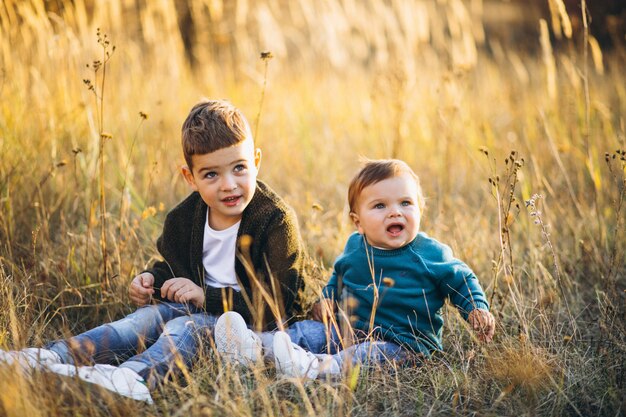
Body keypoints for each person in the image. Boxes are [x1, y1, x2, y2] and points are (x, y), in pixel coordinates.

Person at [0, 100, 306, 401]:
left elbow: (279, 302)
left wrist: (204, 297)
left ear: (255, 161)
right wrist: (151, 281)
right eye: (211, 174)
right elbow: (172, 268)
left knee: (184, 327)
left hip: (240, 328)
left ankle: (131, 378)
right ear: (190, 177)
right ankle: (48, 358)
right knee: (139, 321)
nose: (228, 185)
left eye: (239, 168)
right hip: (193, 304)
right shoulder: (183, 219)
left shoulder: (275, 219)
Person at [215, 158, 495, 379]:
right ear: (357, 222)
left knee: (363, 357)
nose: (395, 212)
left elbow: (461, 279)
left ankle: (314, 369)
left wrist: (475, 307)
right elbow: (339, 276)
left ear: (420, 209)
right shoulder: (355, 247)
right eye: (380, 206)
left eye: (406, 203)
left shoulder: (429, 253)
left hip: (404, 345)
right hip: (350, 329)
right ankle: (253, 345)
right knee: (308, 333)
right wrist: (327, 298)